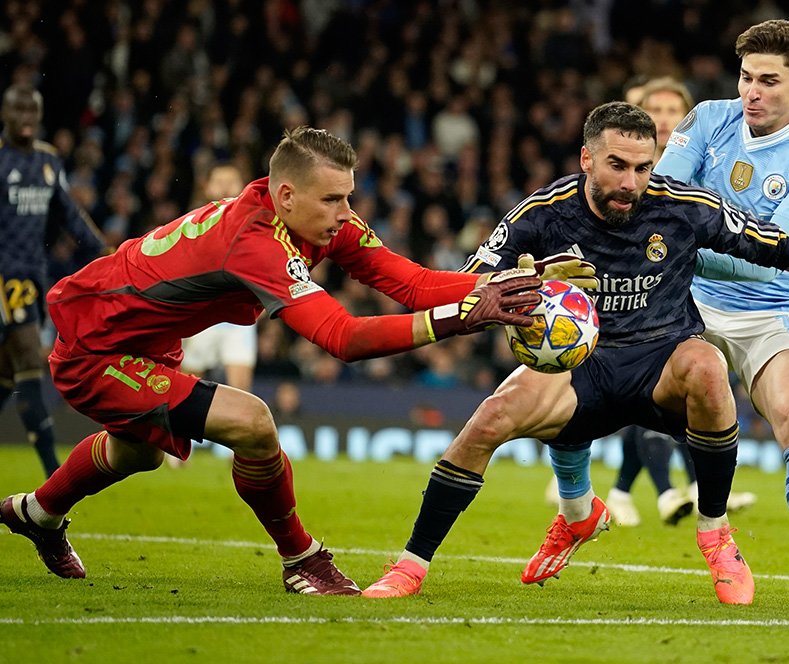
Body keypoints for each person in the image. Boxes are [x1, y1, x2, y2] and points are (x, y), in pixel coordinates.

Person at [362, 101, 789, 604]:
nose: (632, 182)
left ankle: (715, 533)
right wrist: (523, 279)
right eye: (618, 166)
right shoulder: (543, 212)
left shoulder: (682, 207)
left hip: (660, 363)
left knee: (707, 364)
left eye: (643, 168)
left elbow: (785, 249)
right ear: (587, 158)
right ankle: (411, 565)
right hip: (584, 367)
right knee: (489, 418)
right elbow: (467, 285)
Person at [0, 126, 550, 596]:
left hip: (145, 340)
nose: (346, 214)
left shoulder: (317, 221)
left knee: (137, 453)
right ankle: (301, 558)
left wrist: (512, 283)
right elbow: (344, 337)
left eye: (348, 197)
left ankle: (37, 514)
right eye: (332, 200)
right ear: (286, 196)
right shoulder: (257, 242)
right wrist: (467, 316)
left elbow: (413, 283)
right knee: (253, 422)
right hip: (97, 347)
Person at [653, 19, 789, 605]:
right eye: (745, 78)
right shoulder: (707, 121)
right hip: (689, 300)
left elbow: (771, 259)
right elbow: (659, 207)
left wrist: (688, 245)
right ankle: (574, 504)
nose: (751, 93)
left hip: (773, 310)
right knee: (580, 363)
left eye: (768, 81)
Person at [605, 77, 756, 528]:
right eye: (657, 110)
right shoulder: (629, 175)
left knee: (693, 389)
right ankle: (670, 489)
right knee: (651, 386)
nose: (666, 119)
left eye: (676, 111)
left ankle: (636, 488)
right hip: (643, 290)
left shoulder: (706, 161)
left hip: (702, 288)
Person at [0, 83, 107, 478]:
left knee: (7, 374)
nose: (26, 118)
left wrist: (104, 253)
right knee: (30, 358)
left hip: (31, 276)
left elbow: (69, 214)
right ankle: (55, 476)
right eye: (18, 110)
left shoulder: (47, 161)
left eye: (32, 111)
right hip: (3, 276)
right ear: (5, 115)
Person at [180, 163, 258, 396]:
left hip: (237, 320)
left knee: (241, 392)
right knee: (186, 387)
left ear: (243, 187)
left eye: (231, 180)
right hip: (202, 315)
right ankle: (183, 432)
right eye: (219, 180)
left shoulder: (256, 224)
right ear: (207, 188)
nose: (225, 186)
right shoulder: (192, 223)